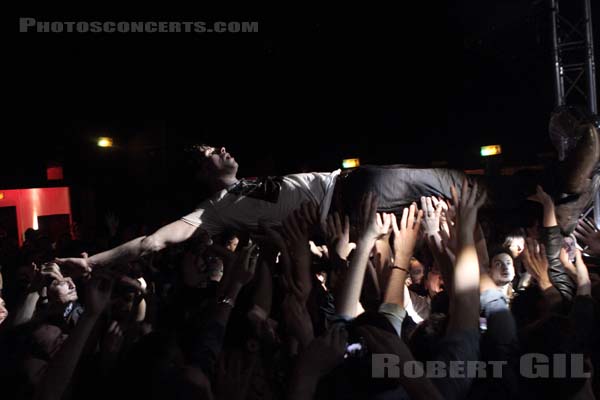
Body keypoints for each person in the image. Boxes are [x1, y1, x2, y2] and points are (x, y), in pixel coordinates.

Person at [56, 127, 599, 275]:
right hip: (348, 198)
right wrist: (94, 260)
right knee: (450, 186)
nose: (223, 146)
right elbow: (154, 241)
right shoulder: (210, 214)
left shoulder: (246, 187)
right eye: (209, 150)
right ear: (202, 173)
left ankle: (559, 195)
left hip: (351, 186)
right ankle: (563, 190)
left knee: (455, 194)